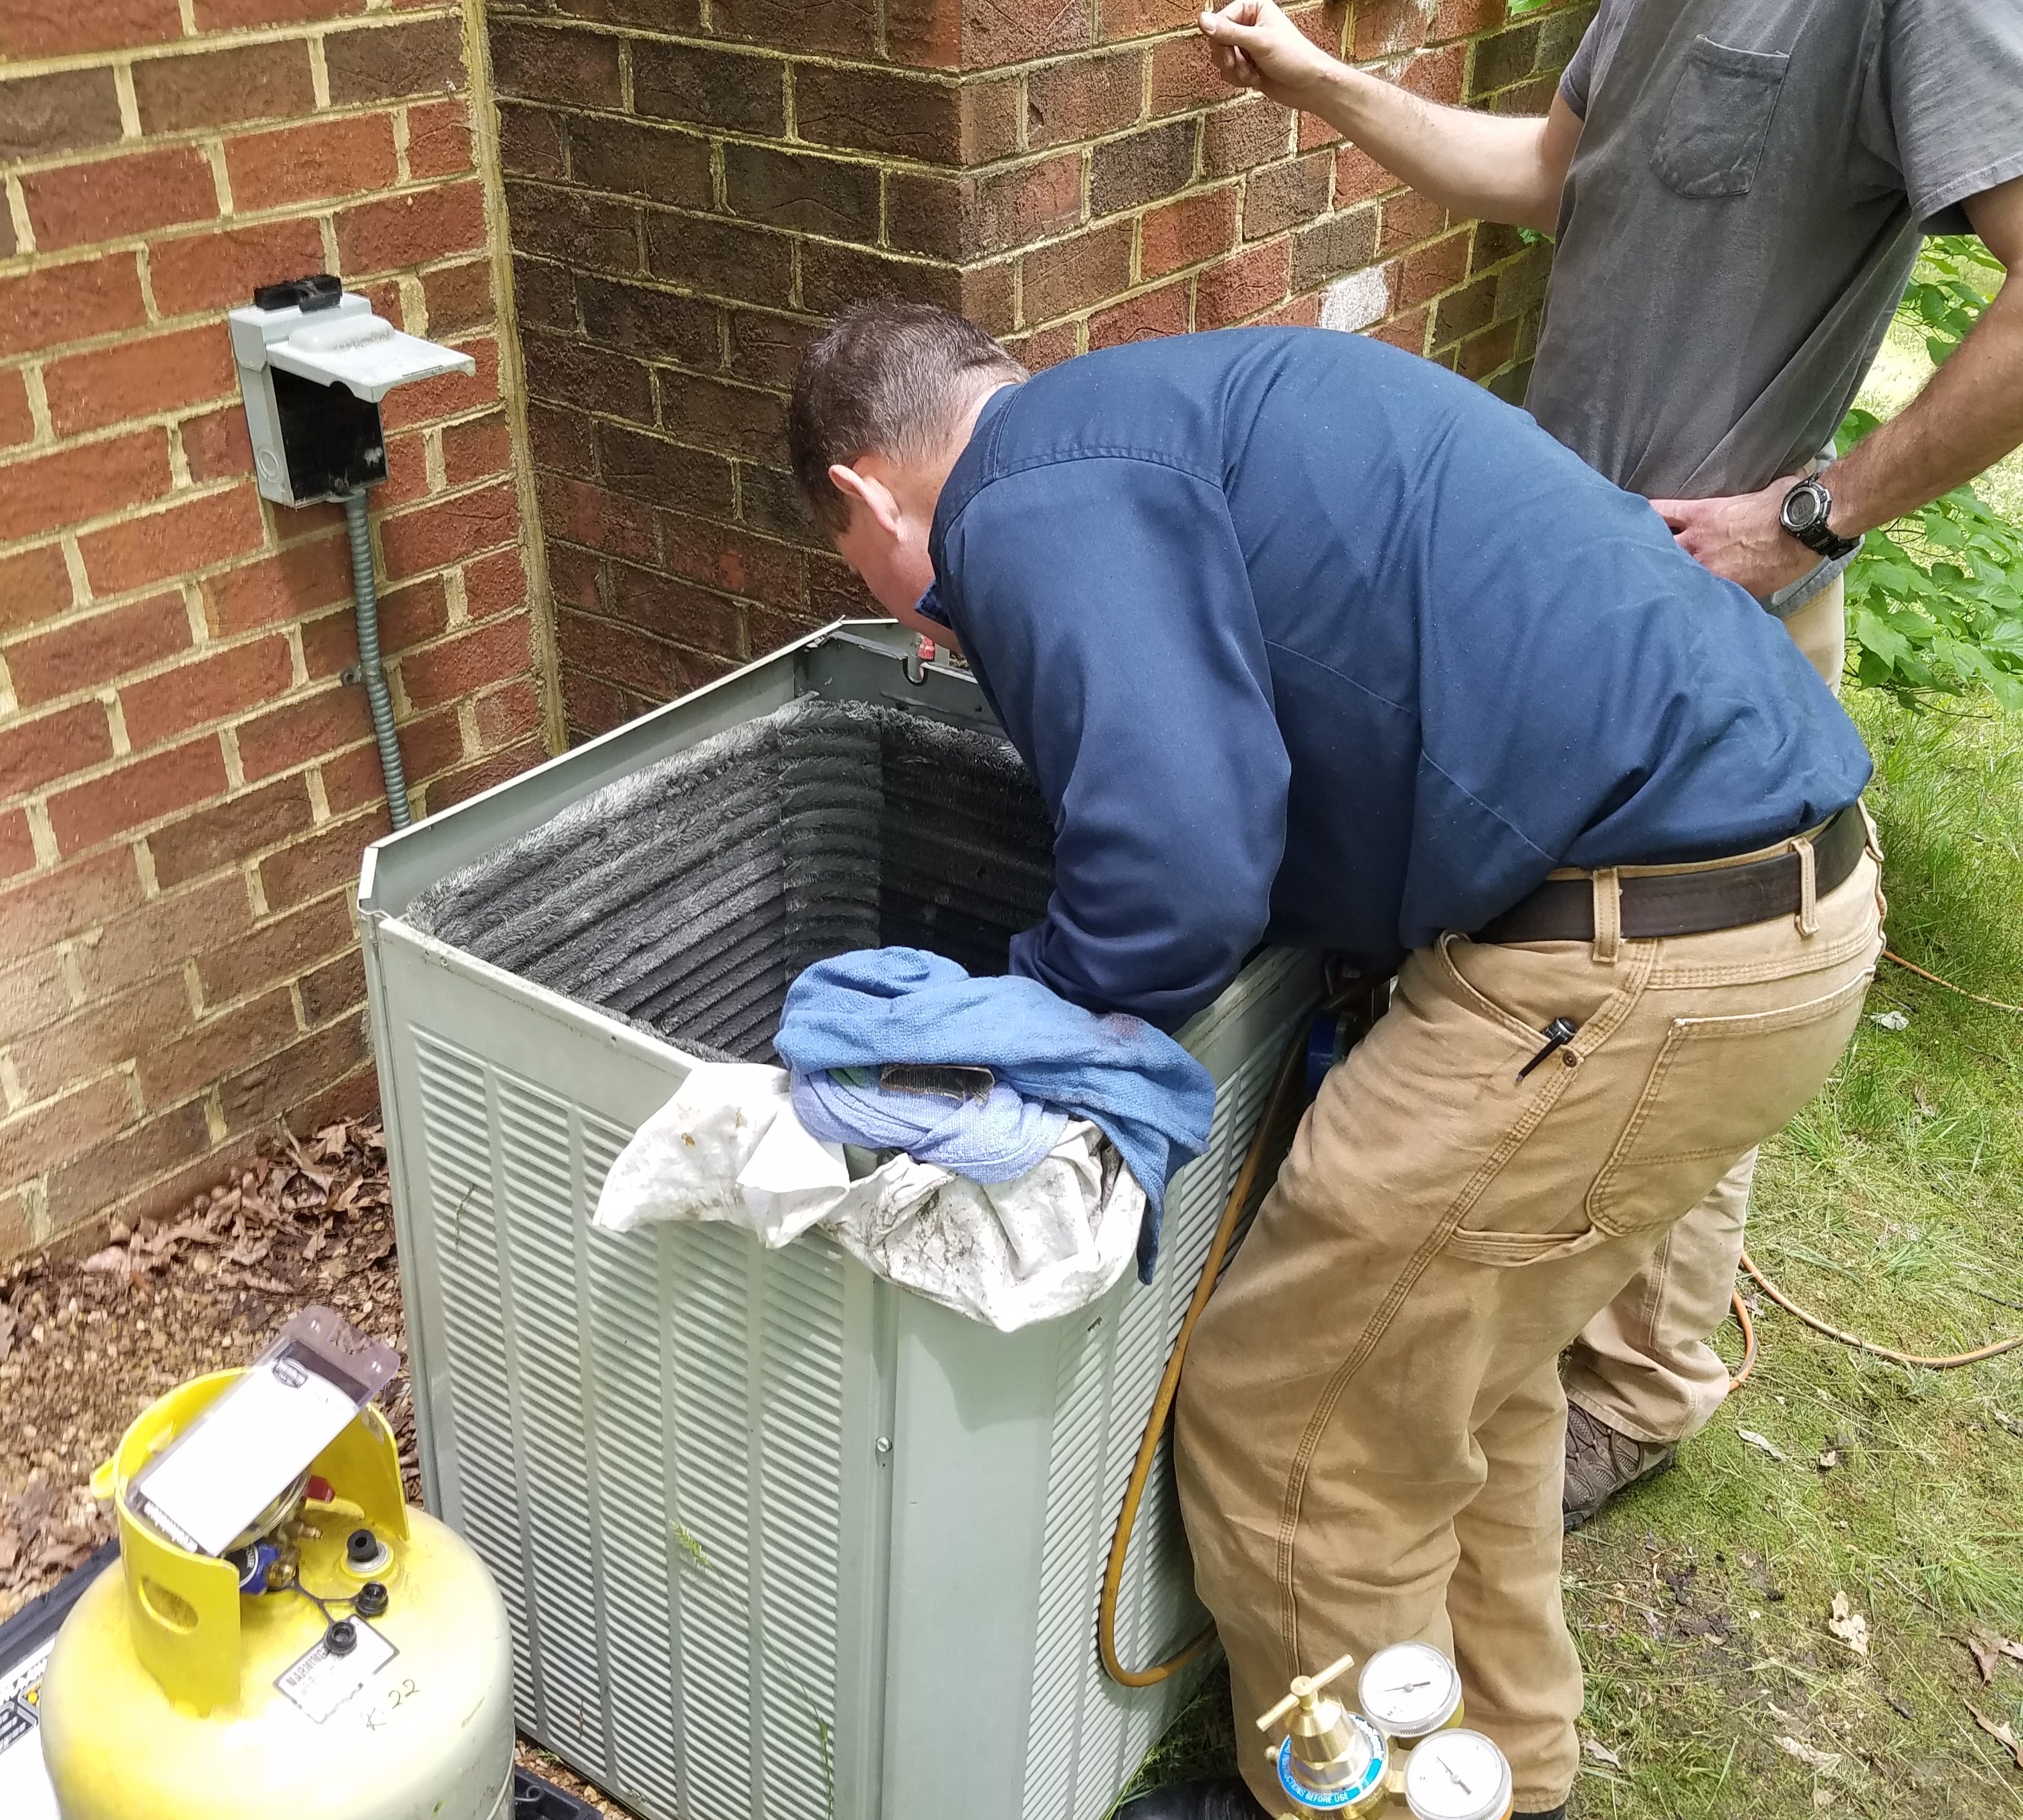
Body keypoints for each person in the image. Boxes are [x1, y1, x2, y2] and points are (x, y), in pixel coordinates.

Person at [787, 302, 1884, 1820]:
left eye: (875, 580)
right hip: (1770, 902)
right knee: (1455, 1388)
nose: (924, 630)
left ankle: (1340, 1801)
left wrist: (1026, 1017)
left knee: (1294, 1418)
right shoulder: (1170, 411)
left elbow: (1175, 870)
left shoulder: (1017, 493)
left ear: (868, 492)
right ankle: (1501, 1781)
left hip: (1626, 959)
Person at [1195, 0, 2023, 1528]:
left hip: (1705, 615)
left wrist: (1814, 515)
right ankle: (1536, 1295)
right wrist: (1323, 85)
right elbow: (1542, 172)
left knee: (1678, 1005)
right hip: (1551, 592)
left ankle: (1640, 1389)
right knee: (1564, 996)